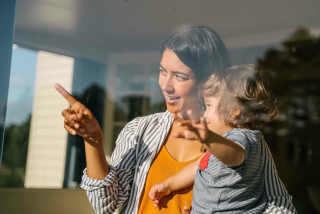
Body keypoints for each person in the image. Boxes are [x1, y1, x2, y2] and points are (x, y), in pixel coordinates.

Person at [55, 26, 230, 214]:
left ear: (208, 80)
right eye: (163, 71)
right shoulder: (140, 130)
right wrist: (93, 140)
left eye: (179, 76)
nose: (165, 85)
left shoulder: (237, 140)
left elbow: (264, 206)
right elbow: (104, 205)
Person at [149, 64, 297, 213]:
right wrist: (169, 184)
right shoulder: (226, 142)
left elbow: (234, 155)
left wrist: (207, 137)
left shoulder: (243, 139)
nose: (204, 114)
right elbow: (199, 166)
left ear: (234, 111)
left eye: (209, 105)